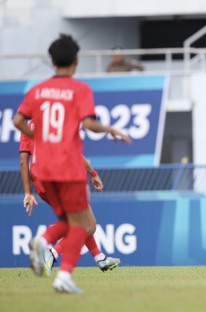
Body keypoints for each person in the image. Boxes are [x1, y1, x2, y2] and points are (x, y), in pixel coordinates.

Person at [13, 33, 131, 294]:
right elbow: (89, 124)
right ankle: (46, 247)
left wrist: (41, 138)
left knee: (79, 223)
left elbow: (18, 122)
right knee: (85, 224)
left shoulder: (37, 91)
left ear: (52, 60)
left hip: (42, 173)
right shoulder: (79, 90)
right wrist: (111, 129)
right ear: (76, 61)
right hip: (67, 169)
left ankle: (75, 267)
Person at [19, 122, 121, 277]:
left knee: (82, 222)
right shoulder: (54, 120)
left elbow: (23, 161)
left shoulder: (26, 127)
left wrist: (28, 192)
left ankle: (100, 258)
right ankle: (51, 253)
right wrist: (93, 173)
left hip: (40, 183)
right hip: (60, 178)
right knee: (88, 225)